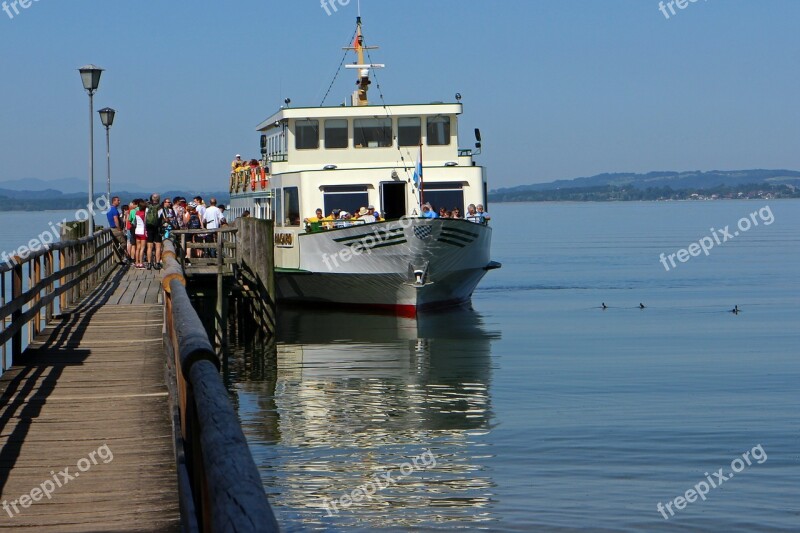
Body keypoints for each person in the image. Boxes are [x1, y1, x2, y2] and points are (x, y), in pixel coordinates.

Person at [105, 196, 127, 263]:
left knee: (116, 243)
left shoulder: (109, 209)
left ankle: (118, 260)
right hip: (115, 229)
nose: (119, 201)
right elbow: (116, 219)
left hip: (112, 228)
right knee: (124, 243)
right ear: (114, 201)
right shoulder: (114, 209)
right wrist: (119, 228)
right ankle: (119, 254)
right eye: (118, 200)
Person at [144, 193, 163, 270]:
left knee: (149, 246)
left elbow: (145, 218)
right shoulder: (160, 207)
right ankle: (157, 263)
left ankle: (149, 263)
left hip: (149, 228)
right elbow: (161, 218)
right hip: (157, 228)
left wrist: (145, 228)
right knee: (158, 246)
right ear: (158, 199)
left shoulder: (148, 207)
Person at [133, 200, 147, 269]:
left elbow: (134, 222)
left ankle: (136, 263)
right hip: (142, 231)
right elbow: (146, 222)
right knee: (142, 248)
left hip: (137, 230)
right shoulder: (144, 213)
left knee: (137, 248)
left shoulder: (137, 212)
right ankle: (141, 263)